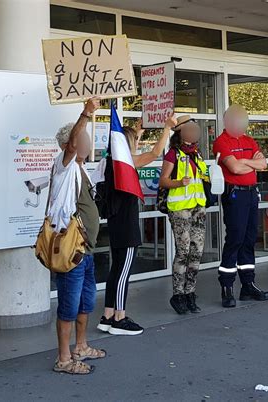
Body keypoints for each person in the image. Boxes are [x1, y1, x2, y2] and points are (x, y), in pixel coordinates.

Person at [97, 115, 177, 335]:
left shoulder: (109, 162)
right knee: (123, 272)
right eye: (134, 142)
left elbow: (128, 142)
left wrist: (137, 130)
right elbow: (153, 154)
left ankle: (107, 315)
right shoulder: (125, 163)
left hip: (116, 223)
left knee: (116, 270)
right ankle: (119, 318)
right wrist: (167, 129)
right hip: (126, 223)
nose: (137, 145)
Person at [50, 97, 105, 375]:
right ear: (67, 146)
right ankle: (63, 359)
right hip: (72, 249)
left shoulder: (82, 168)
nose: (85, 143)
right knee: (69, 304)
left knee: (85, 301)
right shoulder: (64, 164)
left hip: (86, 249)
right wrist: (87, 112)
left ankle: (80, 346)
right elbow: (72, 144)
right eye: (81, 139)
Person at [213, 104, 268, 308]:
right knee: (235, 238)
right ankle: (227, 287)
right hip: (235, 194)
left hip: (251, 193)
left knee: (249, 238)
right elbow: (235, 168)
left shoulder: (249, 140)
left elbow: (264, 164)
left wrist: (244, 160)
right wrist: (249, 162)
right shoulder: (221, 142)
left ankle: (248, 285)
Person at [159, 116, 208, 314]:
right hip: (180, 209)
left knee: (197, 252)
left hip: (198, 208)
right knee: (183, 251)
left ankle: (190, 293)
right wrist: (180, 183)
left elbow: (202, 179)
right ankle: (178, 294)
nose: (195, 133)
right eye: (191, 129)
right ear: (181, 133)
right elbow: (163, 181)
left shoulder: (198, 154)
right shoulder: (173, 154)